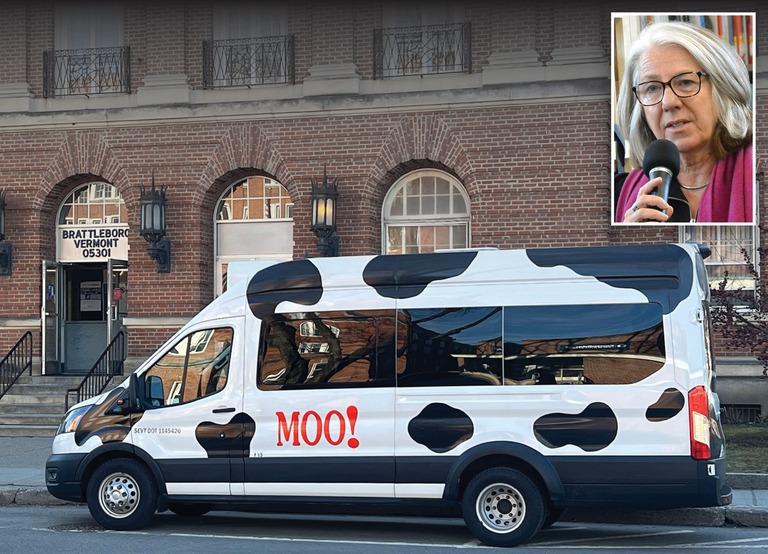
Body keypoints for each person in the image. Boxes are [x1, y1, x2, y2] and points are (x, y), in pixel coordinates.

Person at [614, 20, 753, 223]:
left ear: (724, 89)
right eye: (652, 88)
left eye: (686, 82)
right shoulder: (618, 194)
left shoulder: (759, 172)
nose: (668, 102)